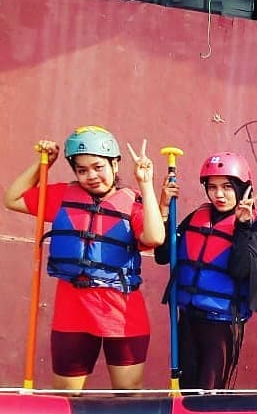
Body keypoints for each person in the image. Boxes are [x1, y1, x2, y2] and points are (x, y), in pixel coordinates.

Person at [3, 126, 165, 392]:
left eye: (98, 167)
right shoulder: (62, 197)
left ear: (115, 164)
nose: (91, 176)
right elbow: (12, 199)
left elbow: (156, 237)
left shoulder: (132, 204)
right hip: (72, 309)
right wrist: (44, 164)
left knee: (128, 394)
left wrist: (146, 184)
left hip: (122, 311)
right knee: (66, 395)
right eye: (82, 170)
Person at [155, 151, 257, 390]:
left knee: (210, 391)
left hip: (222, 323)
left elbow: (241, 270)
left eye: (227, 187)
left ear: (243, 188)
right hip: (187, 318)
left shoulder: (256, 225)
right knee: (186, 388)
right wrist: (165, 208)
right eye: (212, 187)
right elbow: (162, 255)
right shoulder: (196, 217)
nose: (218, 194)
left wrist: (243, 227)